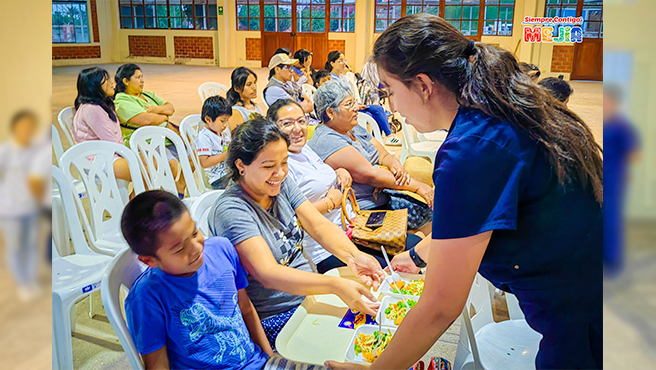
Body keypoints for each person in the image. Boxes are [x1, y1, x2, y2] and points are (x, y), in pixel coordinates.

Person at [325, 14, 603, 370]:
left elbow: (440, 306)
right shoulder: (495, 113)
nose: (391, 106)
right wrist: (421, 253)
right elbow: (476, 218)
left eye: (390, 91)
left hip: (584, 312)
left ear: (423, 84)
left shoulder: (471, 150)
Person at [208, 118, 385, 349]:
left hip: (310, 296)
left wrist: (354, 256)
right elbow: (268, 273)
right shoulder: (231, 210)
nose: (280, 173)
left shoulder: (279, 184)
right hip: (279, 316)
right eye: (268, 166)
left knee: (380, 330)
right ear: (241, 166)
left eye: (284, 162)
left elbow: (317, 225)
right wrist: (334, 285)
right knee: (355, 349)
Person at [121, 190, 329, 370]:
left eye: (194, 232)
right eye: (179, 248)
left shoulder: (221, 249)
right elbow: (157, 364)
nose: (196, 248)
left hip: (257, 362)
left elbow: (246, 308)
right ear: (149, 261)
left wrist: (271, 358)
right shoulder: (146, 297)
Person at [267, 99, 422, 272]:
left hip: (354, 229)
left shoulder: (305, 149)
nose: (297, 128)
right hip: (326, 248)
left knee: (417, 247)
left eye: (302, 121)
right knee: (411, 257)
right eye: (287, 123)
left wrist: (338, 172)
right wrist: (331, 202)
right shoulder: (281, 165)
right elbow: (291, 217)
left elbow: (380, 156)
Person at [308, 80, 433, 234]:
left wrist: (396, 166)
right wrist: (418, 186)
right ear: (330, 113)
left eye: (354, 102)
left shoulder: (352, 128)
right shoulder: (328, 139)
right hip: (365, 209)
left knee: (432, 208)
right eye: (348, 104)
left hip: (384, 194)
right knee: (429, 210)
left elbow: (384, 154)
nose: (356, 108)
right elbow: (372, 175)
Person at [113, 63, 186, 196]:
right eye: (138, 77)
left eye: (142, 77)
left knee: (195, 153)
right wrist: (164, 116)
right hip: (145, 143)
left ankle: (179, 187)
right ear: (126, 81)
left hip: (165, 139)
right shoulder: (122, 101)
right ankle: (137, 200)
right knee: (171, 166)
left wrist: (156, 109)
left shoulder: (148, 95)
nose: (142, 80)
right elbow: (145, 120)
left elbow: (170, 108)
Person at [0, 110, 41, 301]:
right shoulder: (6, 152)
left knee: (31, 244)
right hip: (10, 209)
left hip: (30, 207)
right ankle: (22, 283)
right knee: (16, 246)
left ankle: (30, 279)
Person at [602, 84, 640, 277]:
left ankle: (613, 262)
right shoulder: (607, 124)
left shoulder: (621, 126)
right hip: (604, 177)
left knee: (613, 219)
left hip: (615, 178)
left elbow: (634, 155)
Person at [71, 67, 132, 182]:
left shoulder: (103, 105)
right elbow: (110, 140)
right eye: (106, 81)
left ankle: (134, 199)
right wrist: (128, 154)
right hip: (97, 161)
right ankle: (137, 199)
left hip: (111, 154)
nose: (111, 83)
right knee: (141, 170)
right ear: (94, 86)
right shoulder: (92, 109)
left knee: (149, 162)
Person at [196, 96, 233, 190]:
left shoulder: (222, 133)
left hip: (228, 173)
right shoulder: (204, 137)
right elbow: (204, 162)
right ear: (208, 119)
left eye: (227, 120)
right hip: (218, 179)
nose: (225, 125)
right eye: (222, 121)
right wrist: (227, 154)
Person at [226, 67, 264, 133]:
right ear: (237, 88)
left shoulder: (255, 106)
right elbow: (238, 138)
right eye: (249, 84)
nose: (254, 87)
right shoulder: (236, 111)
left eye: (255, 83)